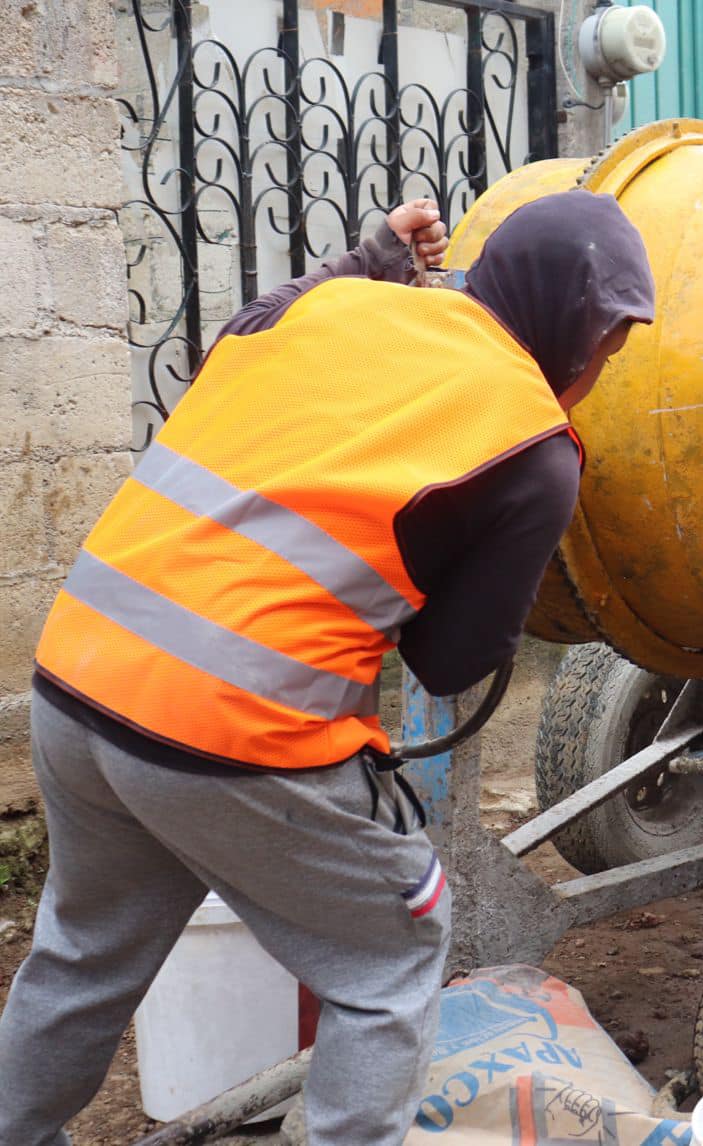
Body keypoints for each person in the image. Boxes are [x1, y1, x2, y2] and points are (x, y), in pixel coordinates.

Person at [0, 191, 656, 1145]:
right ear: (564, 319)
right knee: (389, 954)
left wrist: (372, 255)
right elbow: (451, 661)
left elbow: (242, 333)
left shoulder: (347, 304)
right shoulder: (532, 446)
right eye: (605, 344)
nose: (597, 369)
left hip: (78, 674)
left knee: (83, 952)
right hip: (227, 729)